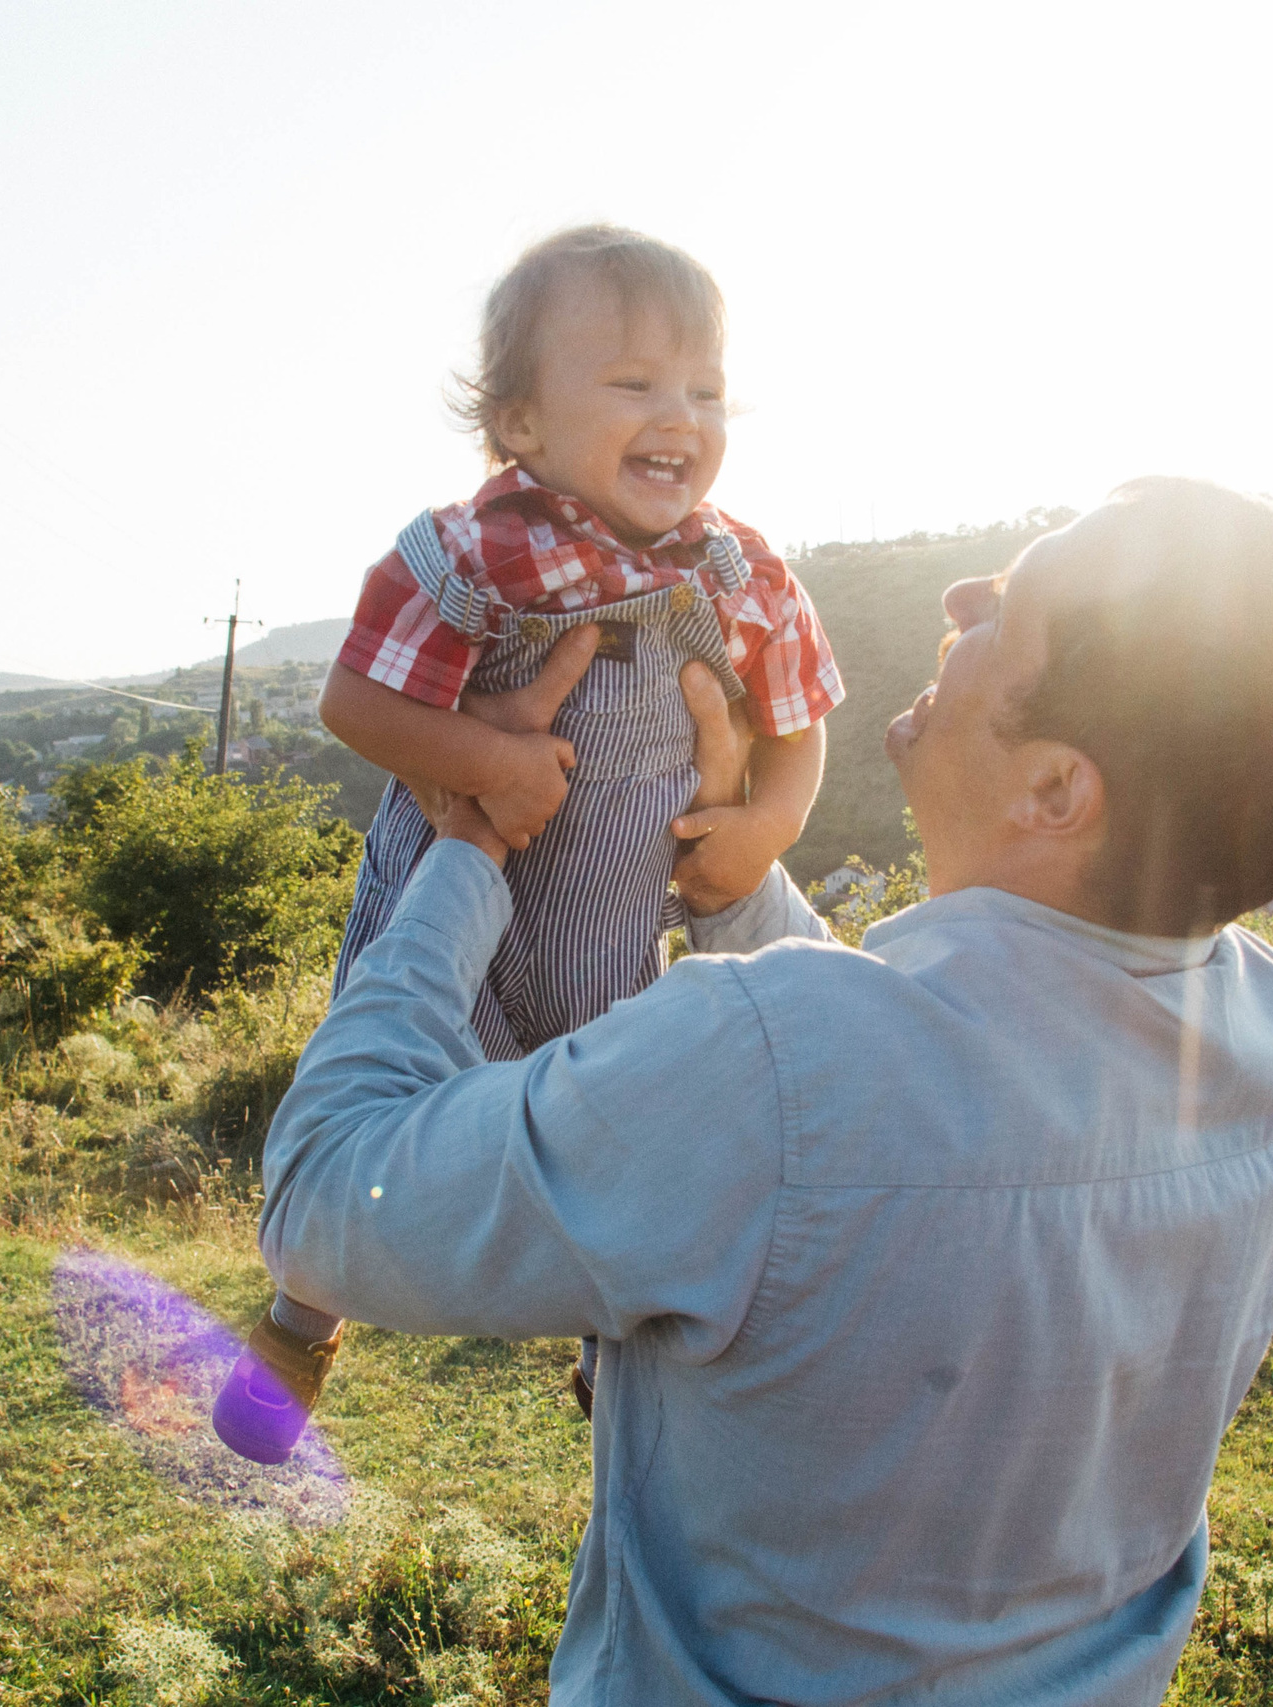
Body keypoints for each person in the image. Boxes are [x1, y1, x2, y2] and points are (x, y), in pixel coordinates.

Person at [256, 476, 1273, 1702]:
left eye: (1006, 608)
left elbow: (325, 1198)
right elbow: (895, 1082)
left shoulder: (758, 1066)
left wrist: (464, 852)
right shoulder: (1261, 1028)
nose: (959, 597)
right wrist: (730, 879)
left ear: (1055, 792)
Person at [212, 226, 844, 1465]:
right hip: (455, 895)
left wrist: (764, 826)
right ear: (518, 421)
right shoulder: (470, 553)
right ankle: (299, 1323)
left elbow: (797, 723)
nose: (679, 416)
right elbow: (355, 701)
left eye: (705, 390)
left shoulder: (739, 568)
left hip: (613, 927)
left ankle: (617, 1355)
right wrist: (485, 763)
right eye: (634, 382)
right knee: (383, 1088)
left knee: (622, 1136)